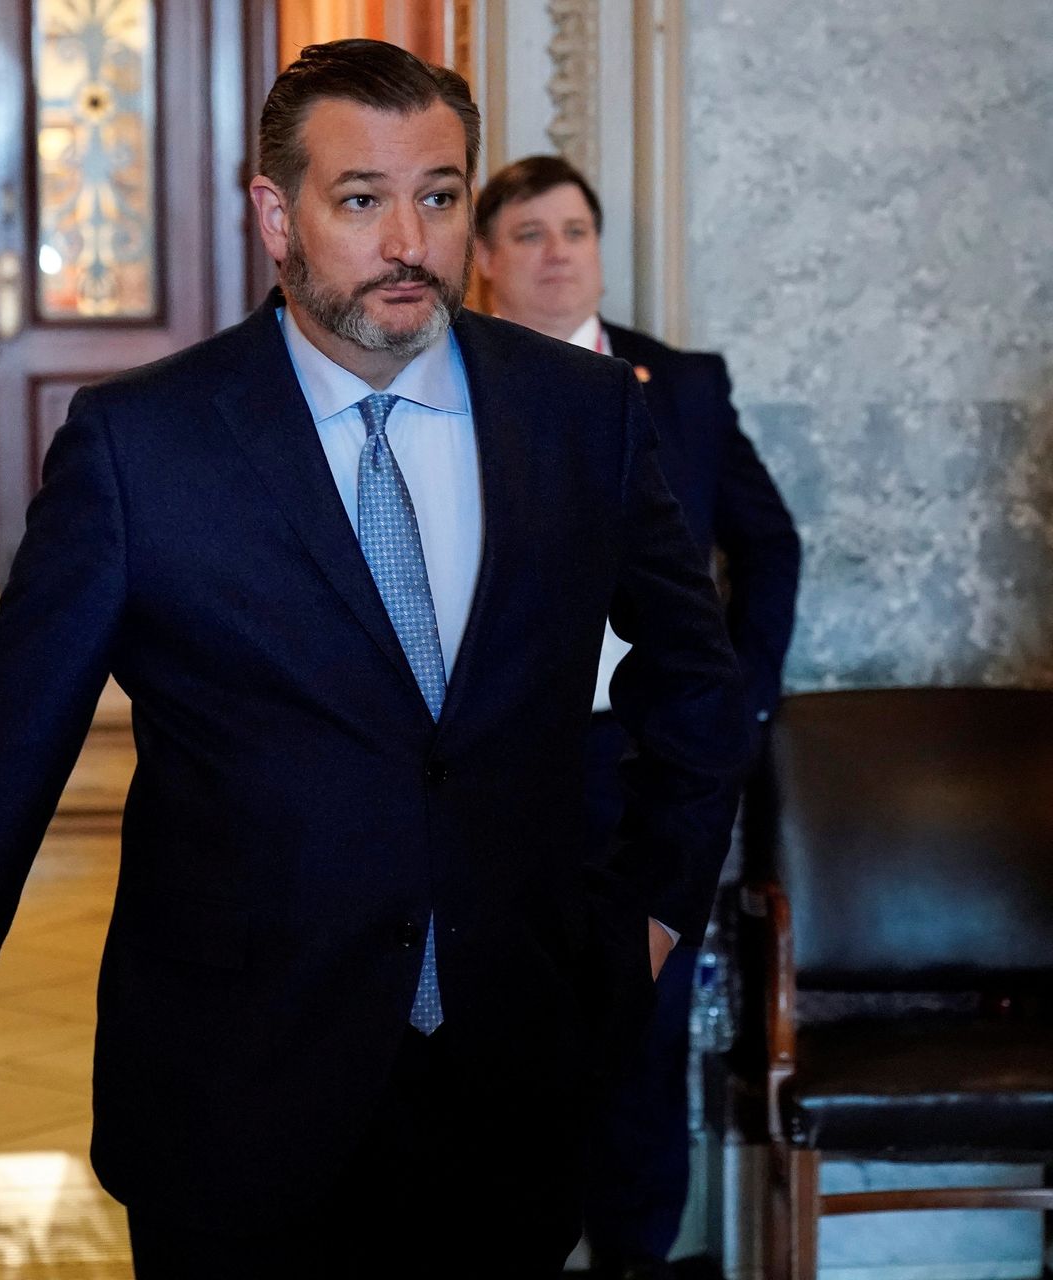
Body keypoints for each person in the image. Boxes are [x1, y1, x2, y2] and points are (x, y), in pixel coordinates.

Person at [0, 44, 748, 1280]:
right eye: (361, 199)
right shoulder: (140, 445)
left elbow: (695, 677)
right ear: (277, 215)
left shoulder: (577, 412)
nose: (408, 242)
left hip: (510, 1074)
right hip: (234, 1083)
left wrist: (650, 908)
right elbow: (9, 746)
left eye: (438, 196)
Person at [476, 154, 800, 1279]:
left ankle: (632, 1258)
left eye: (574, 230)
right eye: (528, 233)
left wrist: (735, 707)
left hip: (643, 762)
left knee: (643, 1023)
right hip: (490, 764)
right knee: (492, 1023)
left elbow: (767, 542)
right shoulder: (443, 382)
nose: (556, 252)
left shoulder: (682, 386)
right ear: (485, 260)